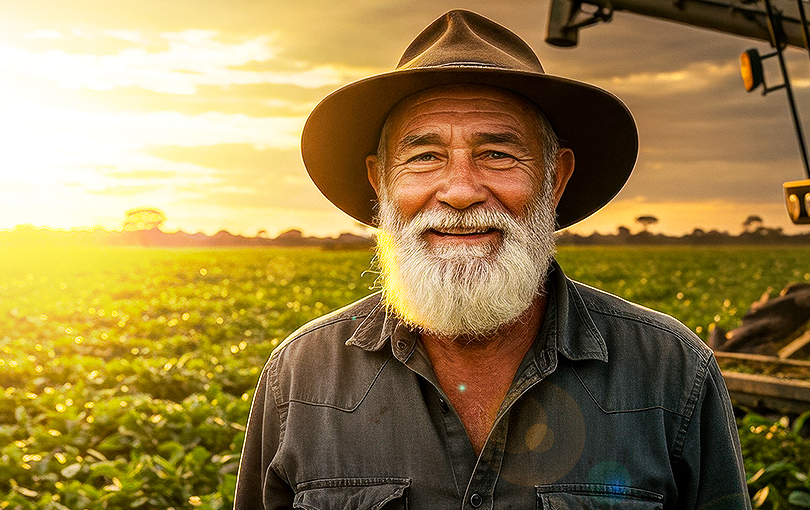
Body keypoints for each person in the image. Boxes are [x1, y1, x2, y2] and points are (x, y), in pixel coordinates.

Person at [234, 10, 751, 509]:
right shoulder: (299, 376)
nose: (460, 191)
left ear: (555, 179)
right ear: (381, 182)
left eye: (497, 154)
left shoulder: (672, 371)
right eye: (424, 156)